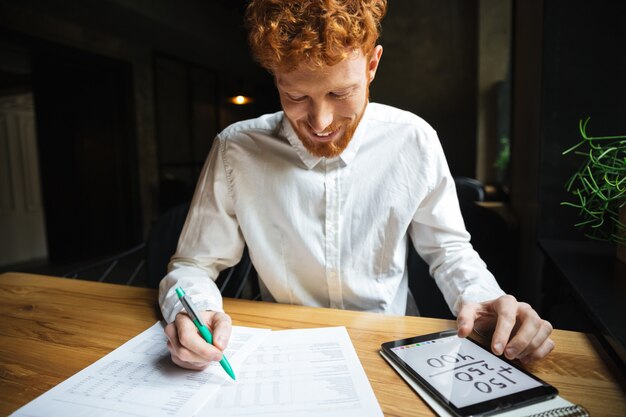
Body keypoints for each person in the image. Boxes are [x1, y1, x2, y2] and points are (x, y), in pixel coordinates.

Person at [159, 0, 554, 371]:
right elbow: (193, 264)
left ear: (371, 65)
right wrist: (190, 310)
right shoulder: (235, 150)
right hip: (284, 352)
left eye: (340, 93)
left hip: (392, 348)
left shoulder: (414, 139)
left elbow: (449, 250)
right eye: (295, 95)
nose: (320, 122)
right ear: (275, 77)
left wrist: (483, 298)